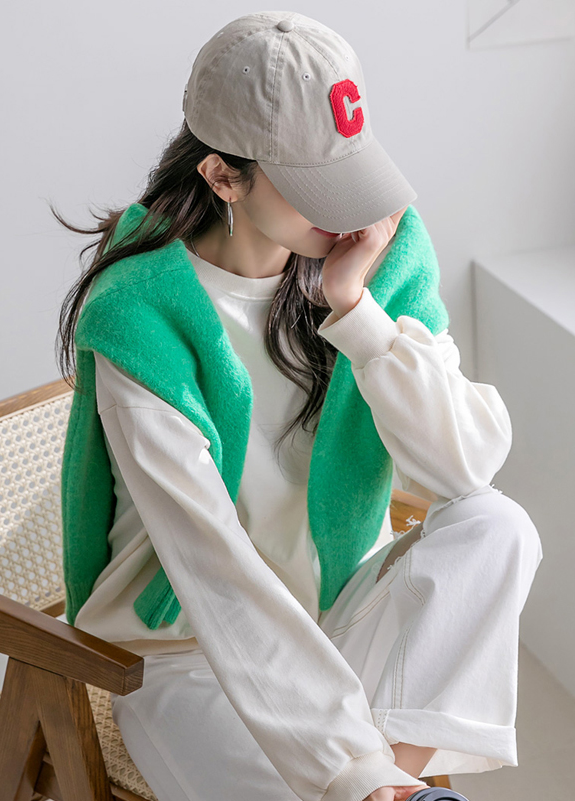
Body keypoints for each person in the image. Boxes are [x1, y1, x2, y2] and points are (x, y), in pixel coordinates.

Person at [53, 11, 543, 801]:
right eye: (314, 184)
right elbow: (214, 571)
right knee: (327, 778)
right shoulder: (140, 317)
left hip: (332, 610)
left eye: (350, 170)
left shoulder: (376, 257)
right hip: (187, 656)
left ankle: (382, 787)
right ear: (223, 176)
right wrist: (351, 767)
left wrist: (360, 314)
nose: (347, 208)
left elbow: (469, 465)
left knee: (497, 526)